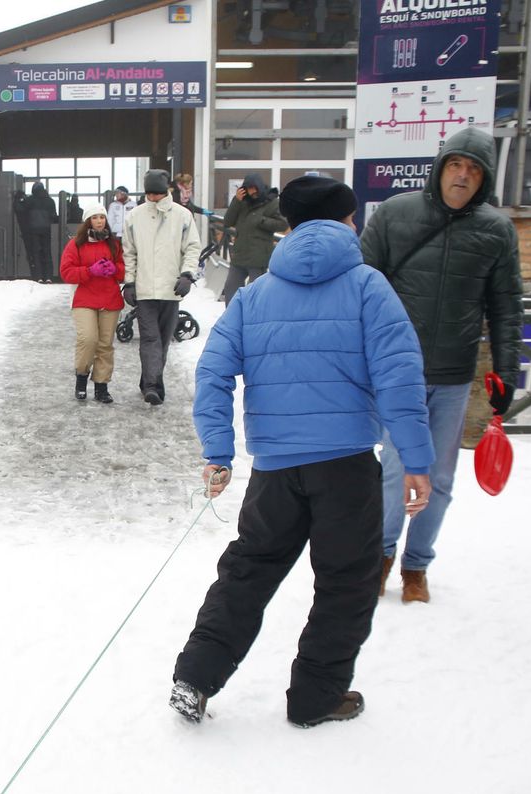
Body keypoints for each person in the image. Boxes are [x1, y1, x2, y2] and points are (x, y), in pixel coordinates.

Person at [169, 176, 434, 729]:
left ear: (287, 224)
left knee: (247, 573)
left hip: (275, 472)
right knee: (346, 582)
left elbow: (214, 371)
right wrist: (416, 459)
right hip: (347, 468)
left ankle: (194, 677)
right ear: (345, 222)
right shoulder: (368, 286)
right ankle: (316, 697)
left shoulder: (255, 293)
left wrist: (218, 450)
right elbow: (399, 377)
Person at [360, 126, 524, 604]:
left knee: (441, 478)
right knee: (394, 470)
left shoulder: (496, 230)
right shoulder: (395, 214)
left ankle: (416, 565)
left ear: (485, 179)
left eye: (474, 170)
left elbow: (507, 306)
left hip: (453, 375)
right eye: (456, 165)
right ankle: (382, 557)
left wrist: (507, 373)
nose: (462, 176)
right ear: (440, 168)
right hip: (396, 372)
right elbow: (360, 288)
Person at [121, 169, 201, 405]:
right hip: (144, 289)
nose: (153, 198)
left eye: (157, 193)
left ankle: (151, 379)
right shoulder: (134, 216)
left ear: (166, 191)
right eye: (149, 193)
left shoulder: (182, 215)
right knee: (150, 338)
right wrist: (130, 282)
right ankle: (152, 385)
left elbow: (192, 248)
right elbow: (129, 252)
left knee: (164, 339)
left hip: (171, 288)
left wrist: (187, 275)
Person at [58, 204, 125, 403]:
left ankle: (101, 386)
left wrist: (114, 269)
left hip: (110, 299)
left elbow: (124, 269)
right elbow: (66, 272)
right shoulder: (76, 244)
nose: (99, 221)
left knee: (105, 344)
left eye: (102, 217)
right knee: (88, 339)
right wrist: (89, 271)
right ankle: (81, 378)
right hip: (84, 298)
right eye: (95, 217)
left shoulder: (114, 244)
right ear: (88, 221)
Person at [219, 174, 287, 304]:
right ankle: (232, 319)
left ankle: (255, 320)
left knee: (257, 294)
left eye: (254, 188)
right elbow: (227, 222)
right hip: (239, 255)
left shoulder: (272, 202)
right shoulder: (242, 202)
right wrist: (236, 201)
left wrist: (261, 220)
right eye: (249, 189)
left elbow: (283, 224)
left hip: (258, 257)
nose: (252, 192)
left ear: (260, 187)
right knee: (230, 289)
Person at [15, 181, 59, 282]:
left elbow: (20, 210)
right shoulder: (50, 201)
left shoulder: (30, 200)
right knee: (47, 252)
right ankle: (48, 277)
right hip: (46, 230)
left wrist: (17, 198)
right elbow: (54, 216)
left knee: (36, 253)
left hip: (33, 230)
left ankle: (38, 276)